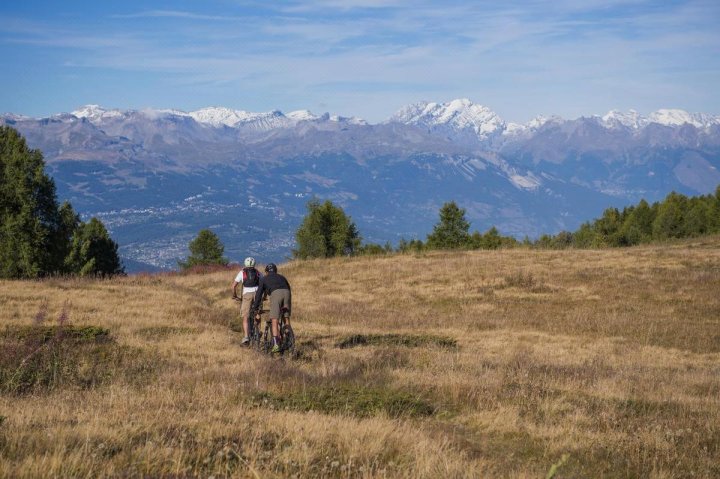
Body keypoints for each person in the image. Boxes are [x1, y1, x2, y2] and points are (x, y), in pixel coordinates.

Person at [252, 262, 291, 353]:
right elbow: (288, 288)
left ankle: (276, 344)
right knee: (286, 317)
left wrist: (255, 307)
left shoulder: (264, 279)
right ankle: (289, 338)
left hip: (276, 293)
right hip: (287, 293)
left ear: (266, 272)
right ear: (276, 271)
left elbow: (258, 295)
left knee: (274, 319)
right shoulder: (282, 277)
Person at [232, 257, 261, 346]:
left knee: (245, 316)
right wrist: (263, 296)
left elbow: (233, 286)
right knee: (257, 313)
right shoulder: (258, 272)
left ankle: (246, 337)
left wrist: (234, 295)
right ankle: (258, 332)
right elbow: (263, 284)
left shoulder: (242, 272)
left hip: (247, 295)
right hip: (257, 294)